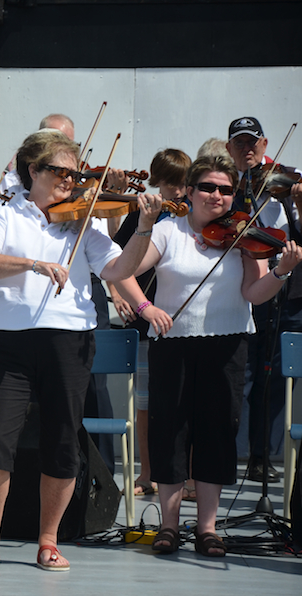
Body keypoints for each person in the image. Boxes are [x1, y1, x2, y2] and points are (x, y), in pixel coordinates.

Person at [0, 129, 167, 572]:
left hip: (69, 340)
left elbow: (118, 268)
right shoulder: (4, 215)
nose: (71, 182)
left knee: (62, 440)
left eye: (75, 175)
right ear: (33, 170)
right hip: (11, 341)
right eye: (61, 172)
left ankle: (49, 540)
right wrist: (32, 264)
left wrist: (144, 228)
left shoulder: (83, 220)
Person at [122, 155, 302, 556]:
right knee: (170, 431)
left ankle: (207, 528)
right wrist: (144, 307)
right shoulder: (169, 232)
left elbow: (253, 294)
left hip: (228, 342)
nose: (217, 196)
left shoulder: (242, 235)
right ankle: (168, 526)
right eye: (207, 187)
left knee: (217, 432)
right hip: (174, 342)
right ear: (189, 190)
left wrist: (282, 271)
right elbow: (125, 270)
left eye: (225, 189)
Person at [111, 148, 191, 496]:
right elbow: (114, 258)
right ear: (155, 182)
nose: (176, 192)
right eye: (169, 184)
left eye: (182, 184)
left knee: (185, 402)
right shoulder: (145, 214)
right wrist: (118, 295)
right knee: (145, 403)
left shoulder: (190, 217)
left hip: (184, 321)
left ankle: (187, 476)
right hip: (147, 322)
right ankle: (147, 474)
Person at [227, 117, 302, 484]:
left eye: (253, 142)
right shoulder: (226, 184)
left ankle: (262, 455)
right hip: (245, 288)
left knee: (273, 378)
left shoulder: (288, 181)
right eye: (240, 143)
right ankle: (236, 450)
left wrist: (297, 202)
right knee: (244, 372)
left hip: (286, 290)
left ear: (265, 143)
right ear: (230, 149)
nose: (248, 149)